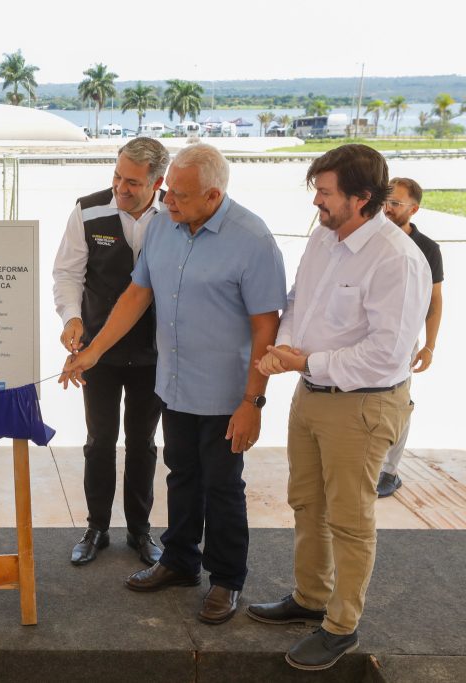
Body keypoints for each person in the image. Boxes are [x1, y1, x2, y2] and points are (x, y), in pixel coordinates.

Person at [60, 144, 287, 625]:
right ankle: (180, 561)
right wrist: (92, 352)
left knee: (223, 487)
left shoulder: (252, 239)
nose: (168, 202)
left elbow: (266, 328)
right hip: (175, 384)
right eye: (168, 194)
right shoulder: (165, 224)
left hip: (228, 392)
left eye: (179, 196)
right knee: (181, 476)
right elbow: (136, 296)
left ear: (213, 194)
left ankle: (226, 580)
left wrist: (254, 400)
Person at [248, 144, 430, 671]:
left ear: (362, 198)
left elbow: (387, 354)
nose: (317, 204)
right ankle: (310, 597)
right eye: (316, 192)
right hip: (311, 393)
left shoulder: (397, 259)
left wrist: (306, 360)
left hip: (363, 405)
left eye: (325, 194)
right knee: (307, 501)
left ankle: (341, 626)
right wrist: (283, 349)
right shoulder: (325, 239)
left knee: (350, 519)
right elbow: (299, 302)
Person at [52, 138, 168, 567]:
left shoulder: (174, 215)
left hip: (156, 354)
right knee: (100, 440)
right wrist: (70, 318)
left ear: (158, 182)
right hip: (96, 351)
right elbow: (67, 273)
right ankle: (96, 526)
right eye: (117, 176)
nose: (121, 186)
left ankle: (141, 530)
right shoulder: (88, 209)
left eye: (133, 182)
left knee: (143, 442)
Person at [375, 177, 443, 497]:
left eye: (396, 204)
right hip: (365, 337)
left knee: (399, 403)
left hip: (403, 341)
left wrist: (429, 345)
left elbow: (435, 299)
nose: (387, 208)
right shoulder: (369, 238)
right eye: (385, 201)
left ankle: (390, 471)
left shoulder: (427, 248)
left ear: (414, 209)